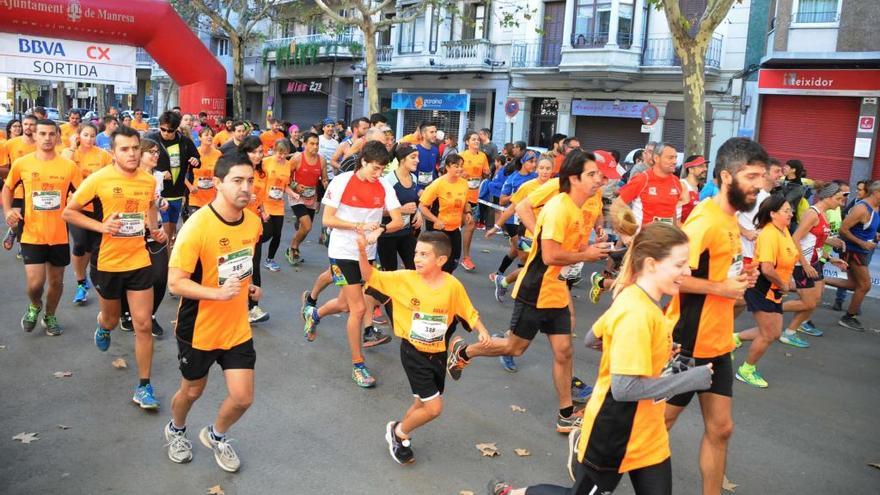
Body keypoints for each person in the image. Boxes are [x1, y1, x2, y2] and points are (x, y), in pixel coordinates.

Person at [489, 223, 713, 495]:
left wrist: (650, 351)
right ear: (652, 264)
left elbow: (592, 339)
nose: (687, 272)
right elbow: (624, 389)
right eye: (680, 265)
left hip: (648, 434)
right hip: (613, 433)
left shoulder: (637, 298)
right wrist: (687, 380)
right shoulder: (637, 312)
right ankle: (510, 494)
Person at [447, 150, 613, 433]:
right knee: (515, 347)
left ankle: (565, 414)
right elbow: (549, 256)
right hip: (536, 288)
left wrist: (594, 243)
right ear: (574, 178)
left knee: (564, 352)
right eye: (592, 174)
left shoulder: (582, 204)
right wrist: (587, 254)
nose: (599, 179)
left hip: (556, 288)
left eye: (599, 174)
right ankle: (465, 351)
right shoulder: (559, 208)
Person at [663, 137, 768, 495]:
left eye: (763, 176)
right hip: (688, 341)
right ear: (726, 176)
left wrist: (740, 280)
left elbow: (719, 272)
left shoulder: (731, 220)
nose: (760, 184)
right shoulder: (704, 221)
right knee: (656, 424)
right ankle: (594, 464)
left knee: (721, 428)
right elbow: (672, 277)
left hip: (719, 340)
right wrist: (720, 288)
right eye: (752, 176)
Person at [165, 150, 263, 474]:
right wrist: (217, 294)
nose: (245, 187)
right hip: (199, 328)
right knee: (192, 390)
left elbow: (242, 263)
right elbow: (176, 284)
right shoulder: (197, 227)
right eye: (237, 180)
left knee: (243, 397)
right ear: (218, 183)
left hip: (236, 327)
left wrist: (250, 287)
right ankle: (177, 430)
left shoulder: (253, 221)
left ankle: (217, 435)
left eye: (250, 180)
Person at [357, 231, 491, 465]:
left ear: (441, 260)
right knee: (434, 407)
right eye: (416, 253)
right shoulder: (404, 278)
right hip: (413, 352)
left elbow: (467, 309)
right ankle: (398, 433)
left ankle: (400, 430)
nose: (417, 258)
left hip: (438, 353)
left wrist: (482, 329)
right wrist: (361, 250)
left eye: (424, 254)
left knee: (421, 402)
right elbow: (370, 275)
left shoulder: (452, 285)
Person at [62, 126, 167, 409]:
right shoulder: (98, 180)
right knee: (110, 319)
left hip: (139, 260)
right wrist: (102, 226)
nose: (132, 154)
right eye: (125, 149)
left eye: (135, 148)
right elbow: (68, 211)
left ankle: (144, 386)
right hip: (108, 263)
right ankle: (103, 326)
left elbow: (150, 209)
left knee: (142, 324)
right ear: (113, 152)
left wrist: (156, 230)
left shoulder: (147, 181)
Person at [302, 141, 403, 388]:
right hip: (342, 252)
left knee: (344, 304)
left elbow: (399, 221)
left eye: (383, 169)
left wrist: (380, 229)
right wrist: (357, 226)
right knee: (357, 309)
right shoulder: (342, 181)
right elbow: (327, 219)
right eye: (376, 168)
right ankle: (358, 365)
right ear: (363, 161)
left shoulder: (384, 185)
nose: (379, 174)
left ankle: (314, 313)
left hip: (366, 254)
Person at [2, 120, 81, 335]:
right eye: (42, 133)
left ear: (57, 137)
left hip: (59, 235)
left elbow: (83, 195)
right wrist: (8, 211)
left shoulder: (69, 167)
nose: (47, 138)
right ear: (35, 136)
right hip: (31, 233)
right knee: (36, 284)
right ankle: (35, 305)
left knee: (56, 282)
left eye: (51, 134)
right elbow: (7, 189)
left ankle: (50, 315)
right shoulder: (22, 163)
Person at [733, 196, 803, 388]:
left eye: (790, 210)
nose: (791, 214)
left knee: (773, 332)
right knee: (768, 334)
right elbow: (767, 269)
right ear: (773, 214)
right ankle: (746, 370)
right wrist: (783, 284)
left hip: (775, 289)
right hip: (762, 287)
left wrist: (785, 282)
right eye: (786, 211)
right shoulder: (769, 234)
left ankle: (734, 339)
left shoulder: (784, 231)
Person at [773, 183, 849, 344]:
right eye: (837, 199)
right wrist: (805, 265)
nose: (840, 203)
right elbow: (795, 238)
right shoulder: (812, 213)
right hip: (803, 264)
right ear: (828, 198)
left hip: (815, 262)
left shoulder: (825, 213)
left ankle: (790, 332)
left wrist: (831, 259)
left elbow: (817, 241)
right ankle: (769, 308)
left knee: (815, 299)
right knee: (808, 302)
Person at [119, 138, 172, 337]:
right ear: (139, 155)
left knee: (160, 277)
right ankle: (126, 313)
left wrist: (161, 202)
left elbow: (154, 199)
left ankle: (149, 315)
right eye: (152, 152)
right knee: (130, 276)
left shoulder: (157, 177)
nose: (156, 155)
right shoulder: (127, 176)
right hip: (130, 233)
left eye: (157, 152)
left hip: (153, 230)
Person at [486, 154, 555, 302]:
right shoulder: (527, 187)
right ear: (536, 169)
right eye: (541, 168)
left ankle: (504, 281)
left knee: (535, 267)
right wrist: (496, 226)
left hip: (547, 232)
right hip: (527, 231)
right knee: (533, 265)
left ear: (552, 170)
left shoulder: (557, 187)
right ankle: (522, 292)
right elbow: (511, 209)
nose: (544, 171)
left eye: (548, 168)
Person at [62, 123, 113, 305]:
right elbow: (63, 162)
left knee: (92, 247)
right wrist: (73, 146)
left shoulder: (103, 155)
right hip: (76, 206)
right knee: (80, 243)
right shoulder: (71, 153)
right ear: (78, 136)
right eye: (85, 135)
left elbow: (112, 173)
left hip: (98, 207)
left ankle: (84, 280)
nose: (89, 139)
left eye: (92, 135)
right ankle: (81, 281)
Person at [146, 111, 201, 248]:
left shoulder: (185, 141)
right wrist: (158, 173)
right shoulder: (151, 139)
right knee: (163, 234)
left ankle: (167, 263)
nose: (165, 133)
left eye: (169, 130)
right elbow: (142, 163)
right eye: (162, 129)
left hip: (177, 193)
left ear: (176, 128)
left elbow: (197, 159)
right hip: (159, 194)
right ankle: (162, 264)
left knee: (170, 233)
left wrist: (195, 160)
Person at [834, 180, 880, 332]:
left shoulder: (875, 207)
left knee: (854, 285)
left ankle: (819, 279)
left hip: (861, 250)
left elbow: (867, 228)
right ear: (876, 193)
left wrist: (875, 236)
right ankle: (849, 317)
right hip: (855, 251)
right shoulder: (861, 208)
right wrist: (862, 243)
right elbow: (843, 230)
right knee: (865, 285)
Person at [236, 136, 272, 324]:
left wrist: (263, 212)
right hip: (235, 223)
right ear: (245, 152)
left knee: (253, 265)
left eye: (260, 151)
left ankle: (252, 307)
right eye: (254, 152)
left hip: (254, 224)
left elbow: (261, 198)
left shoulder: (263, 173)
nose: (258, 155)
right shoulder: (235, 170)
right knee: (235, 264)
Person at [491, 151, 539, 281]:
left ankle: (499, 274)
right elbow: (502, 200)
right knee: (523, 255)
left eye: (535, 162)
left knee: (514, 251)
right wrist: (518, 195)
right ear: (523, 162)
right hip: (513, 220)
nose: (534, 164)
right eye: (531, 161)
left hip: (529, 219)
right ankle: (518, 284)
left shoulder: (536, 177)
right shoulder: (512, 179)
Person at [419, 153, 471, 273]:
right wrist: (436, 220)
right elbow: (422, 206)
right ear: (447, 167)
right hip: (438, 229)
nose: (459, 169)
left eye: (461, 166)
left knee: (453, 261)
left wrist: (467, 212)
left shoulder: (463, 183)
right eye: (456, 166)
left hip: (455, 228)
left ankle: (444, 285)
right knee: (439, 263)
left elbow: (465, 201)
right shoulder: (438, 184)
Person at [613, 143, 684, 227]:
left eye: (676, 157)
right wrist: (626, 234)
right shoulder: (642, 179)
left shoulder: (676, 182)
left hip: (667, 238)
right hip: (643, 238)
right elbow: (616, 206)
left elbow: (674, 214)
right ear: (657, 158)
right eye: (670, 158)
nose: (675, 161)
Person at [286, 132, 329, 265]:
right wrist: (295, 185)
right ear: (304, 144)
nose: (315, 147)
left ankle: (296, 244)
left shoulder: (321, 160)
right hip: (296, 196)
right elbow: (285, 177)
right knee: (307, 225)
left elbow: (324, 181)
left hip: (311, 196)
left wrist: (320, 199)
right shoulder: (297, 158)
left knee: (305, 228)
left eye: (317, 144)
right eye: (312, 143)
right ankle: (292, 248)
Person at [377, 144, 422, 271]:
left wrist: (417, 212)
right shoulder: (388, 180)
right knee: (390, 273)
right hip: (388, 234)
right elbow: (377, 211)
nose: (417, 160)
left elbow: (412, 201)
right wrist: (401, 210)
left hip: (406, 233)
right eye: (413, 157)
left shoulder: (413, 177)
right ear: (402, 159)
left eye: (417, 157)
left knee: (415, 269)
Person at [3, 115, 38, 253]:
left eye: (32, 124)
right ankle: (13, 231)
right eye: (26, 124)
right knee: (16, 221)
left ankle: (23, 247)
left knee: (31, 222)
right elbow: (5, 165)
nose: (28, 127)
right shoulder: (10, 144)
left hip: (35, 189)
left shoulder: (40, 143)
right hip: (16, 188)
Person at [259, 138, 294, 272]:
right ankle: (251, 246)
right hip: (265, 203)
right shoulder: (265, 162)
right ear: (274, 151)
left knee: (277, 234)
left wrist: (293, 194)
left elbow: (285, 186)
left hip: (278, 204)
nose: (282, 156)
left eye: (285, 153)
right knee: (267, 233)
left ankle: (270, 260)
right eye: (279, 153)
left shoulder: (288, 164)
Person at [459, 131, 491, 271]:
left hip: (474, 197)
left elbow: (486, 171)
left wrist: (487, 173)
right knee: (456, 226)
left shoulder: (483, 156)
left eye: (478, 140)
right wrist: (462, 173)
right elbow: (453, 171)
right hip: (460, 195)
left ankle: (466, 257)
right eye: (473, 139)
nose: (477, 142)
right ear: (467, 142)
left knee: (470, 226)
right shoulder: (462, 156)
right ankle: (442, 250)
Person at [186, 126, 222, 215]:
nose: (210, 137)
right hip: (195, 197)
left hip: (213, 197)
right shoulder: (193, 153)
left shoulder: (218, 154)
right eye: (206, 135)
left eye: (211, 135)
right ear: (199, 137)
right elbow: (181, 173)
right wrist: (190, 187)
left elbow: (222, 174)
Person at [680, 155, 708, 223]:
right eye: (701, 166)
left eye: (705, 166)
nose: (705, 169)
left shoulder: (700, 188)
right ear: (690, 169)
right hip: (681, 232)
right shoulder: (682, 185)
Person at [415, 122, 439, 191]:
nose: (435, 135)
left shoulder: (435, 150)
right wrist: (417, 189)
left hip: (431, 190)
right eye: (431, 132)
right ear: (423, 134)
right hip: (417, 192)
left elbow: (434, 169)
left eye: (435, 132)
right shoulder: (415, 150)